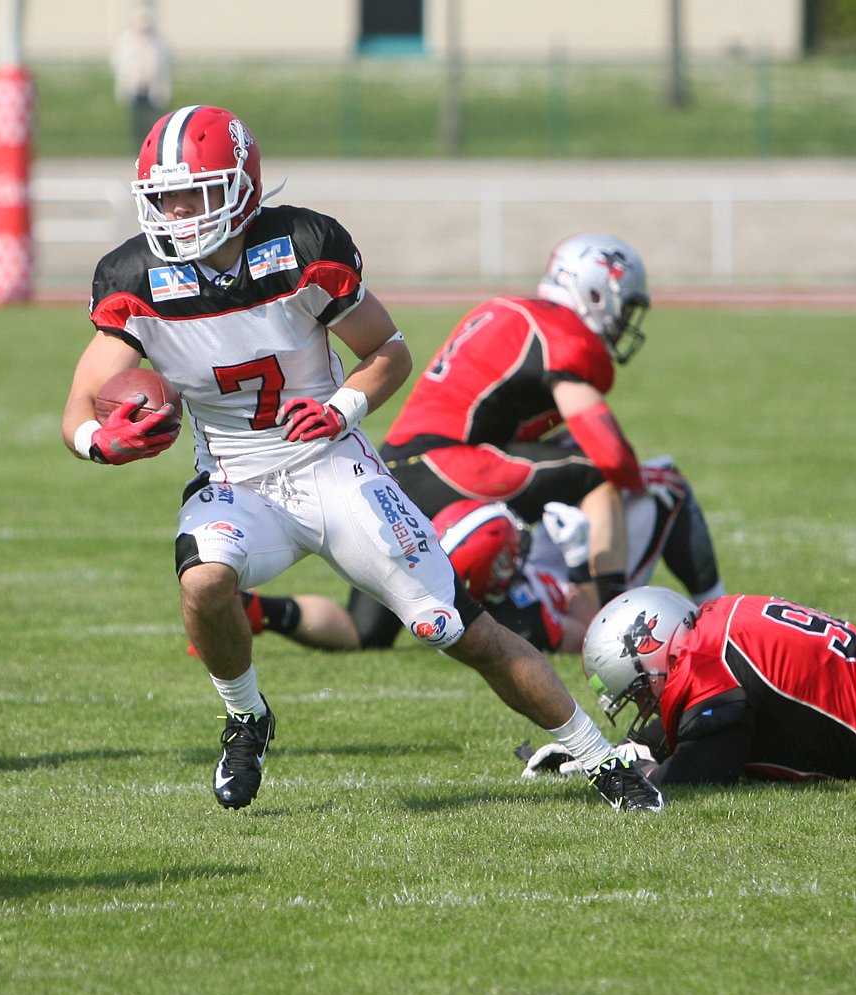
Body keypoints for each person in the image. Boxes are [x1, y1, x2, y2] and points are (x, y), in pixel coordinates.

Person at [60, 104, 663, 813]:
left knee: (455, 628)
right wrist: (100, 442)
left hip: (330, 463)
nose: (176, 212)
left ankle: (601, 759)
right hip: (234, 477)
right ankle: (246, 717)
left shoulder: (304, 247)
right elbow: (80, 400)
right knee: (203, 581)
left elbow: (388, 352)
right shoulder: (134, 278)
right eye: (162, 197)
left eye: (194, 192)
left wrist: (342, 407)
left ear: (242, 188)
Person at [347, 233, 654, 650]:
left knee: (363, 630)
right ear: (596, 292)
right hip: (449, 464)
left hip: (394, 473)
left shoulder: (514, 310)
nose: (624, 320)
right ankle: (615, 615)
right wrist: (636, 480)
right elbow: (611, 453)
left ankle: (258, 609)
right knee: (597, 472)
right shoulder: (562, 330)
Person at [250, 456, 725, 654]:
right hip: (575, 592)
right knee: (666, 482)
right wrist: (582, 561)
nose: (522, 531)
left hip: (407, 533)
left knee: (365, 629)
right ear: (500, 570)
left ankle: (258, 608)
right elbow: (595, 634)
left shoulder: (479, 583)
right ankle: (716, 606)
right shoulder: (524, 617)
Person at [557, 587, 856, 785]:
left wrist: (628, 771)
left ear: (656, 652)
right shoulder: (721, 617)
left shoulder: (709, 666)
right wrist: (608, 751)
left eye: (639, 693)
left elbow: (696, 773)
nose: (645, 708)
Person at [111, 7, 173, 146]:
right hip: (134, 89)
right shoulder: (126, 43)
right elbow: (120, 66)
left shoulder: (159, 44)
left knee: (154, 121)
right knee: (137, 122)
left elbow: (165, 67)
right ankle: (138, 147)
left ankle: (154, 146)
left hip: (153, 90)